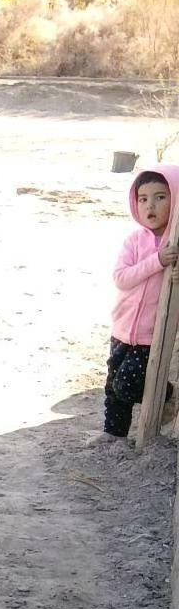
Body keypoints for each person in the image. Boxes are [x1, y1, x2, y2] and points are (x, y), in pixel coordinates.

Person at [106, 166, 179, 437]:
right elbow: (121, 278)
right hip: (122, 328)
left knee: (127, 384)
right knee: (113, 385)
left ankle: (168, 395)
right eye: (143, 198)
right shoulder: (134, 242)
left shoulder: (176, 244)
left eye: (161, 197)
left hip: (151, 335)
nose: (151, 205)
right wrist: (156, 261)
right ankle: (113, 434)